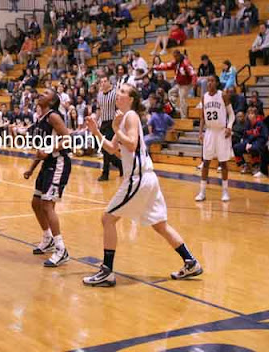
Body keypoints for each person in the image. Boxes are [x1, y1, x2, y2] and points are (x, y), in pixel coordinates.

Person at [83, 84, 203, 287]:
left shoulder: (130, 116)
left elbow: (131, 144)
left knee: (107, 219)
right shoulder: (122, 117)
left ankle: (107, 272)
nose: (117, 94)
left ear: (130, 99)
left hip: (137, 179)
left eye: (122, 91)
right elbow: (113, 149)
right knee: (160, 225)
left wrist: (114, 129)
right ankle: (190, 262)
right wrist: (96, 132)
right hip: (147, 179)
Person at [23, 89, 72, 267]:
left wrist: (50, 151)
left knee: (48, 205)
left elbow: (68, 139)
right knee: (36, 203)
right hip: (47, 165)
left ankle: (61, 249)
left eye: (46, 93)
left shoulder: (53, 116)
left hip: (59, 162)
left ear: (51, 102)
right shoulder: (40, 119)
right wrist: (31, 168)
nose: (41, 94)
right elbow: (40, 150)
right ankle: (48, 238)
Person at [197, 75, 234, 202]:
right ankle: (202, 192)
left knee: (223, 162)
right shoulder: (204, 97)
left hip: (221, 132)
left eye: (212, 81)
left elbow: (232, 114)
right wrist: (200, 132)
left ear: (217, 83)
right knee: (205, 162)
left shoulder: (223, 95)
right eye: (208, 81)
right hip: (210, 132)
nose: (209, 83)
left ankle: (225, 191)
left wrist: (229, 127)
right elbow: (202, 117)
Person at [154, 50, 197, 119]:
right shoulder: (175, 63)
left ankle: (184, 118)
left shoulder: (186, 63)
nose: (175, 58)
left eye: (176, 56)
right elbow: (166, 66)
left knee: (182, 99)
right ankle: (176, 108)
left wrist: (194, 82)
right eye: (174, 56)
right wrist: (155, 67)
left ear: (179, 55)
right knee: (170, 92)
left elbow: (193, 73)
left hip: (187, 85)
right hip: (179, 84)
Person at [96, 76, 123, 181]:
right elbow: (99, 109)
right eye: (101, 81)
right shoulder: (99, 94)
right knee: (104, 149)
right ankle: (120, 165)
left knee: (107, 149)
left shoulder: (115, 92)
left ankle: (105, 173)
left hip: (113, 123)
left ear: (109, 82)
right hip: (103, 123)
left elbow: (120, 107)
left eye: (105, 81)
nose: (102, 83)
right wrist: (96, 120)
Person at [233, 106, 268, 174]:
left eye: (252, 113)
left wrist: (251, 143)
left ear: (255, 115)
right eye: (248, 113)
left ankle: (256, 166)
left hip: (259, 142)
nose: (250, 115)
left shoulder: (260, 123)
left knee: (253, 148)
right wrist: (247, 143)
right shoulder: (247, 124)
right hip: (248, 143)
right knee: (236, 147)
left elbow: (264, 136)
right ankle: (243, 164)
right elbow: (245, 136)